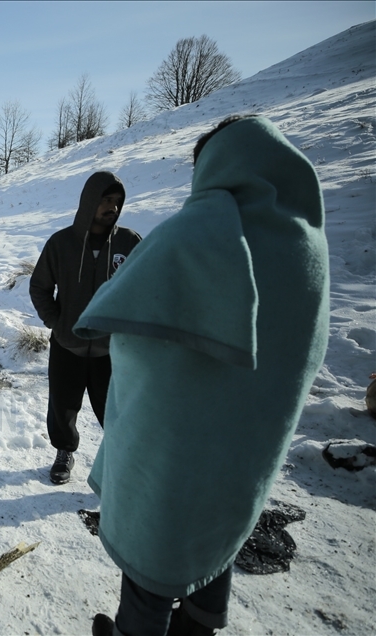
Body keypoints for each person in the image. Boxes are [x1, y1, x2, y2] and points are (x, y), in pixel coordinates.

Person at [74, 116, 329, 636]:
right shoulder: (308, 246)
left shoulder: (198, 232)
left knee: (157, 553)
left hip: (178, 451)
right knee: (217, 535)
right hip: (248, 452)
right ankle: (201, 627)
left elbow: (121, 323)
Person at [28, 171, 142, 484]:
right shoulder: (61, 243)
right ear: (89, 201)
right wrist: (57, 323)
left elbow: (143, 290)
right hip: (68, 344)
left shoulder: (129, 242)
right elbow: (39, 287)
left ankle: (120, 459)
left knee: (115, 408)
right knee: (63, 405)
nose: (112, 207)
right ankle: (64, 452)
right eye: (106, 200)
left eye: (117, 202)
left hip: (111, 349)